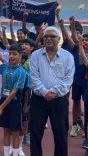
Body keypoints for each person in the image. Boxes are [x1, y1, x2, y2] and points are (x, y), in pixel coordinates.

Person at [29, 26, 75, 156]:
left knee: (61, 133)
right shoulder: (35, 55)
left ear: (59, 39)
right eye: (46, 36)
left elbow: (68, 79)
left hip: (59, 100)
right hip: (39, 100)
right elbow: (34, 76)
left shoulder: (68, 56)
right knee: (35, 132)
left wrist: (53, 92)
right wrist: (44, 92)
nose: (48, 38)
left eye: (52, 36)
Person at [0, 43, 28, 156]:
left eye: (14, 54)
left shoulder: (21, 72)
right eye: (10, 54)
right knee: (6, 131)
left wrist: (0, 107)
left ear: (20, 56)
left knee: (15, 132)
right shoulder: (5, 66)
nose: (11, 56)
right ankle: (6, 154)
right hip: (3, 101)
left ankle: (16, 153)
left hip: (14, 104)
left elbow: (14, 92)